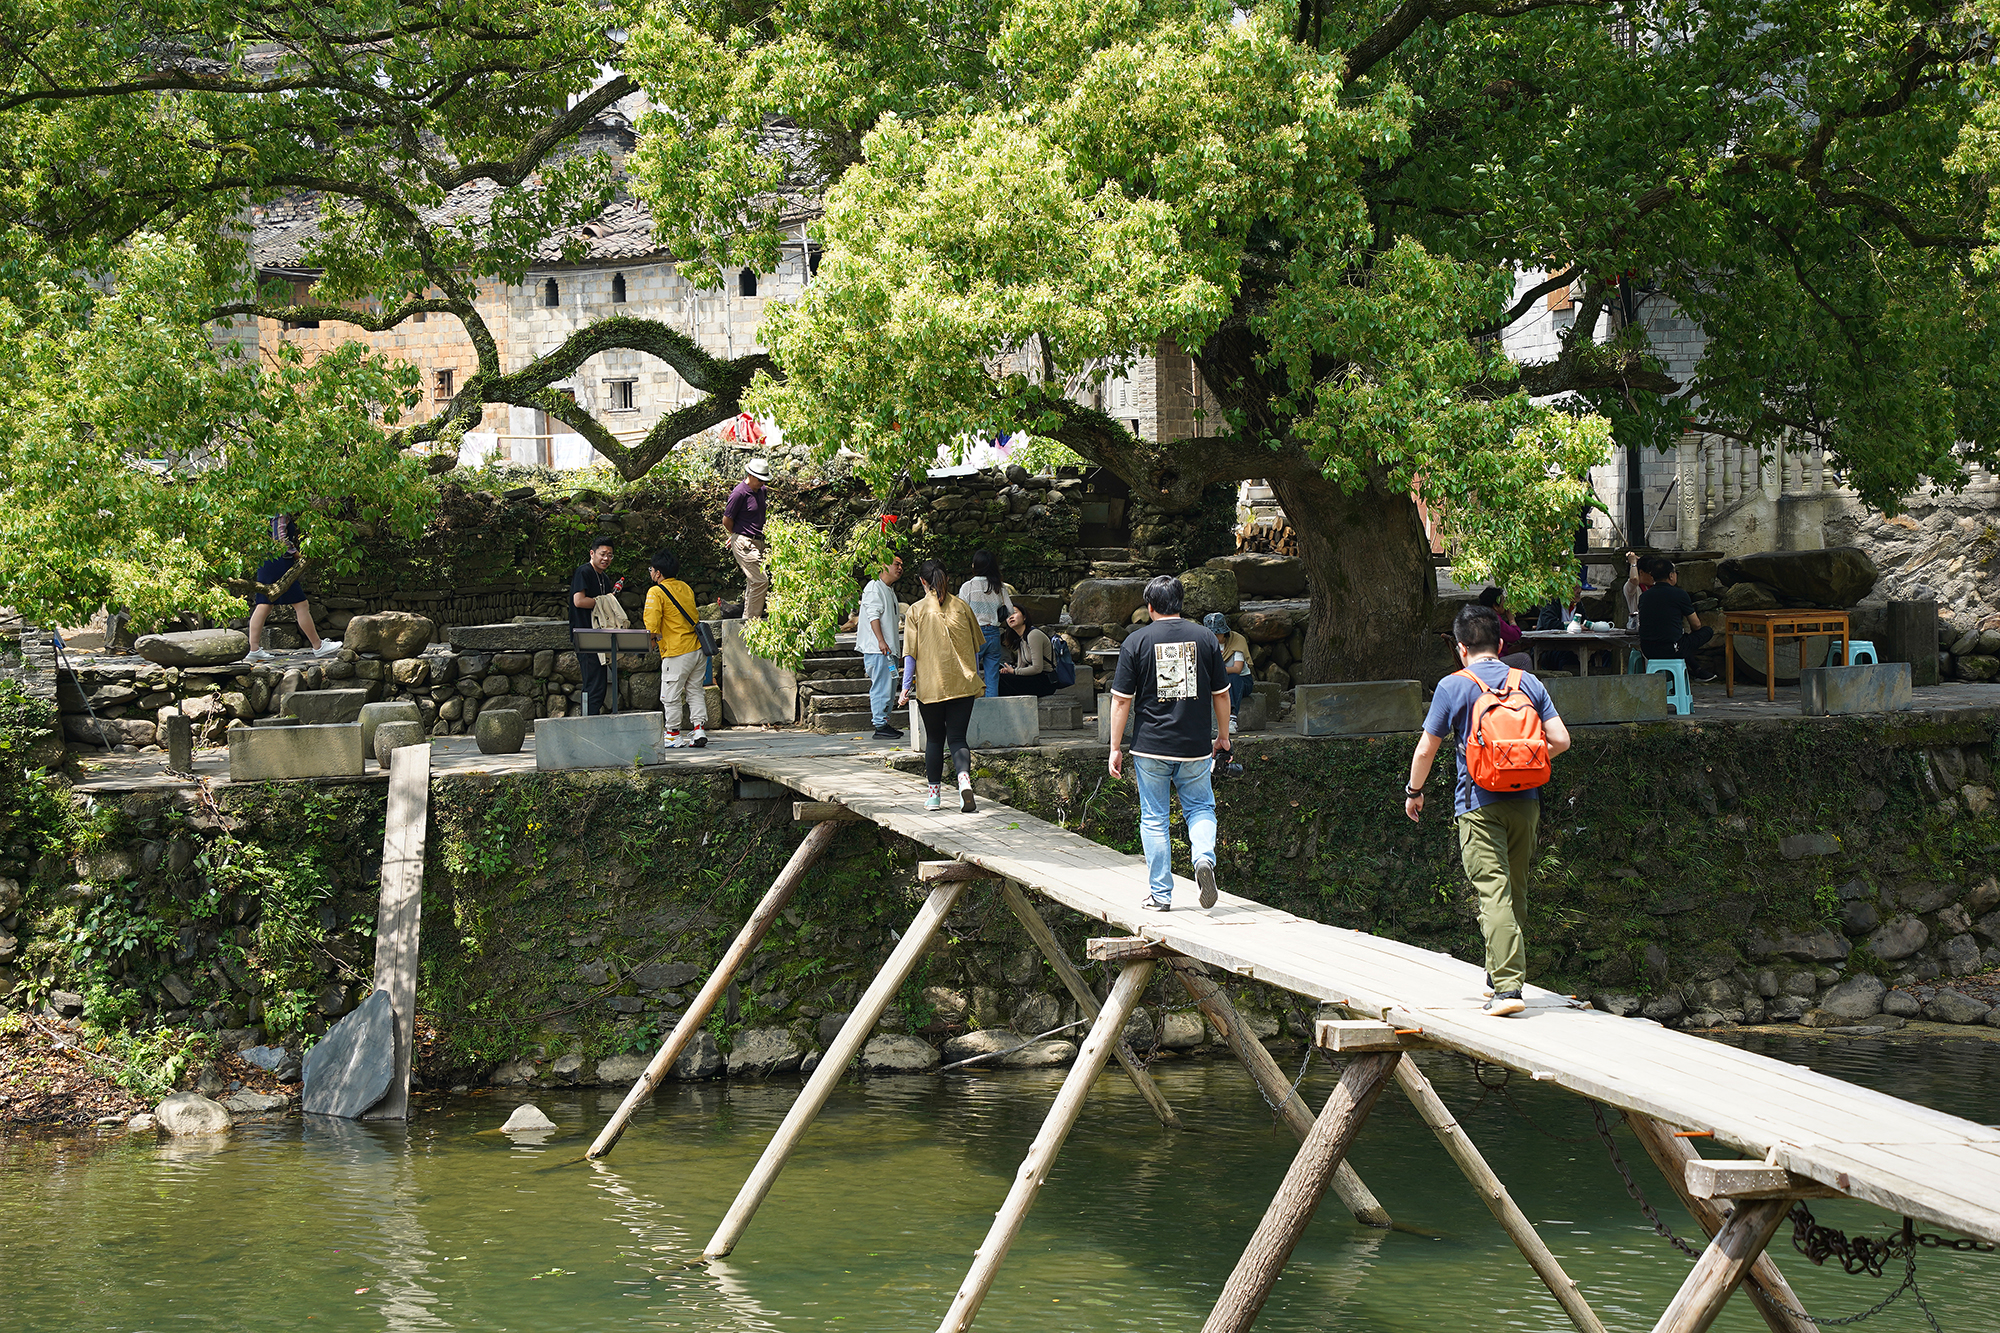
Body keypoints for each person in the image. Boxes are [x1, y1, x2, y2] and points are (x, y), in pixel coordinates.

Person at [1404, 603, 1571, 1017]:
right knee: (1515, 892)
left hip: (1478, 804)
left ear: (1461, 648)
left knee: (1492, 894)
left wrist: (1414, 791)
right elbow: (1561, 740)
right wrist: (1524, 762)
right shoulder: (1527, 681)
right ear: (1499, 643)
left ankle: (1509, 990)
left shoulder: (1453, 686)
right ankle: (1499, 974)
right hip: (1526, 803)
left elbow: (1427, 748)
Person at [1108, 575, 1231, 912]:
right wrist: (1223, 736)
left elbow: (1121, 702)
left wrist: (1115, 747)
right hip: (1195, 746)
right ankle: (1203, 859)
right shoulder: (1206, 638)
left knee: (1154, 819)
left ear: (1150, 608)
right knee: (1201, 808)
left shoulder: (1137, 641)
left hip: (1150, 746)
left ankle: (1161, 895)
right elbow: (1221, 694)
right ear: (1180, 603)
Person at [898, 559, 985, 812]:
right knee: (958, 738)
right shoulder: (962, 607)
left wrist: (905, 688)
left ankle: (934, 797)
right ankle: (964, 782)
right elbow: (975, 649)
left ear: (922, 581)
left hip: (932, 687)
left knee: (935, 739)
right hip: (963, 684)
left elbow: (910, 655)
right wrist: (976, 677)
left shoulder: (915, 611)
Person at [245, 513, 339, 661]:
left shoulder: (263, 508)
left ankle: (253, 649)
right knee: (301, 604)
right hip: (278, 561)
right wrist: (296, 554)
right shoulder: (280, 510)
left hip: (264, 560)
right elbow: (279, 538)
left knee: (264, 604)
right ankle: (318, 646)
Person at [644, 549, 708, 748]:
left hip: (677, 650)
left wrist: (649, 644)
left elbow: (651, 625)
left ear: (658, 573)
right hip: (698, 649)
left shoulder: (656, 591)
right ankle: (698, 730)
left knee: (670, 695)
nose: (651, 573)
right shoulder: (685, 587)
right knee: (695, 690)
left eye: (651, 570)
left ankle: (673, 733)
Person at [1637, 556, 1717, 679]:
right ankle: (1695, 670)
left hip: (1648, 649)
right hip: (1671, 649)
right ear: (1671, 576)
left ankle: (1696, 669)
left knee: (1681, 641)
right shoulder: (1680, 594)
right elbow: (1696, 625)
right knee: (1706, 631)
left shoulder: (1644, 596)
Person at [569, 536, 621, 715]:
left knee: (600, 683)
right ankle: (587, 722)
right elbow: (579, 601)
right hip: (585, 634)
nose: (606, 558)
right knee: (593, 683)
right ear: (592, 553)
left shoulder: (604, 578)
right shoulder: (583, 572)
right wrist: (605, 602)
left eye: (610, 555)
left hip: (600, 635)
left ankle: (591, 720)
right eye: (603, 554)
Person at [858, 552, 905, 739]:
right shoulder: (873, 587)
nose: (900, 568)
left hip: (888, 650)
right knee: (881, 687)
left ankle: (884, 722)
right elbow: (873, 616)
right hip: (878, 650)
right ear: (883, 566)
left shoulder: (888, 590)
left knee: (889, 687)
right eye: (896, 564)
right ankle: (879, 724)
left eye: (901, 565)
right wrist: (880, 640)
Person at [722, 458, 773, 619]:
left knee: (754, 581)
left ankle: (747, 620)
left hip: (759, 540)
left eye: (764, 480)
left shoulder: (762, 491)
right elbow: (726, 520)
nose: (761, 483)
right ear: (750, 474)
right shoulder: (739, 493)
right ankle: (752, 622)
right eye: (759, 479)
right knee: (760, 581)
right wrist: (737, 535)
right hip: (745, 542)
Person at [957, 549, 1013, 697]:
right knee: (992, 678)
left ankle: (974, 711)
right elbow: (1010, 610)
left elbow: (960, 613)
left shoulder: (967, 587)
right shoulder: (999, 587)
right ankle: (992, 712)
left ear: (974, 565)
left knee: (971, 675)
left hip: (974, 635)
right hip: (994, 634)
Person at [1203, 612, 1253, 732]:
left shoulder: (1236, 641)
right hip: (1215, 682)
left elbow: (1237, 668)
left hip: (1240, 682)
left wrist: (1218, 671)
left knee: (1233, 677)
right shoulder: (1204, 643)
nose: (1214, 636)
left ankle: (1231, 718)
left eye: (1217, 633)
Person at [997, 606, 1057, 697]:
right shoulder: (1020, 639)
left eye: (1014, 613)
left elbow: (1037, 668)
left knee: (1001, 680)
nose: (1011, 617)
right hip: (1034, 679)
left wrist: (1014, 672)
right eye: (1008, 615)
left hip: (1046, 681)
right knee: (998, 677)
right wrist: (1009, 671)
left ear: (1024, 617)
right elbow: (1021, 667)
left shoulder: (1033, 635)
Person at [1477, 586, 1532, 670]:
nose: (1505, 604)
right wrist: (1511, 620)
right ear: (1495, 606)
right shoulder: (1494, 619)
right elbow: (1514, 636)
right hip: (1490, 661)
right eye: (1503, 601)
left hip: (1477, 660)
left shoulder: (1479, 616)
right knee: (1524, 659)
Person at [1621, 551, 1655, 629]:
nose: (1653, 577)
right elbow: (1634, 578)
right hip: (1638, 627)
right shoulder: (1632, 588)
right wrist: (1633, 563)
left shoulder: (1655, 585)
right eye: (1650, 573)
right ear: (1641, 572)